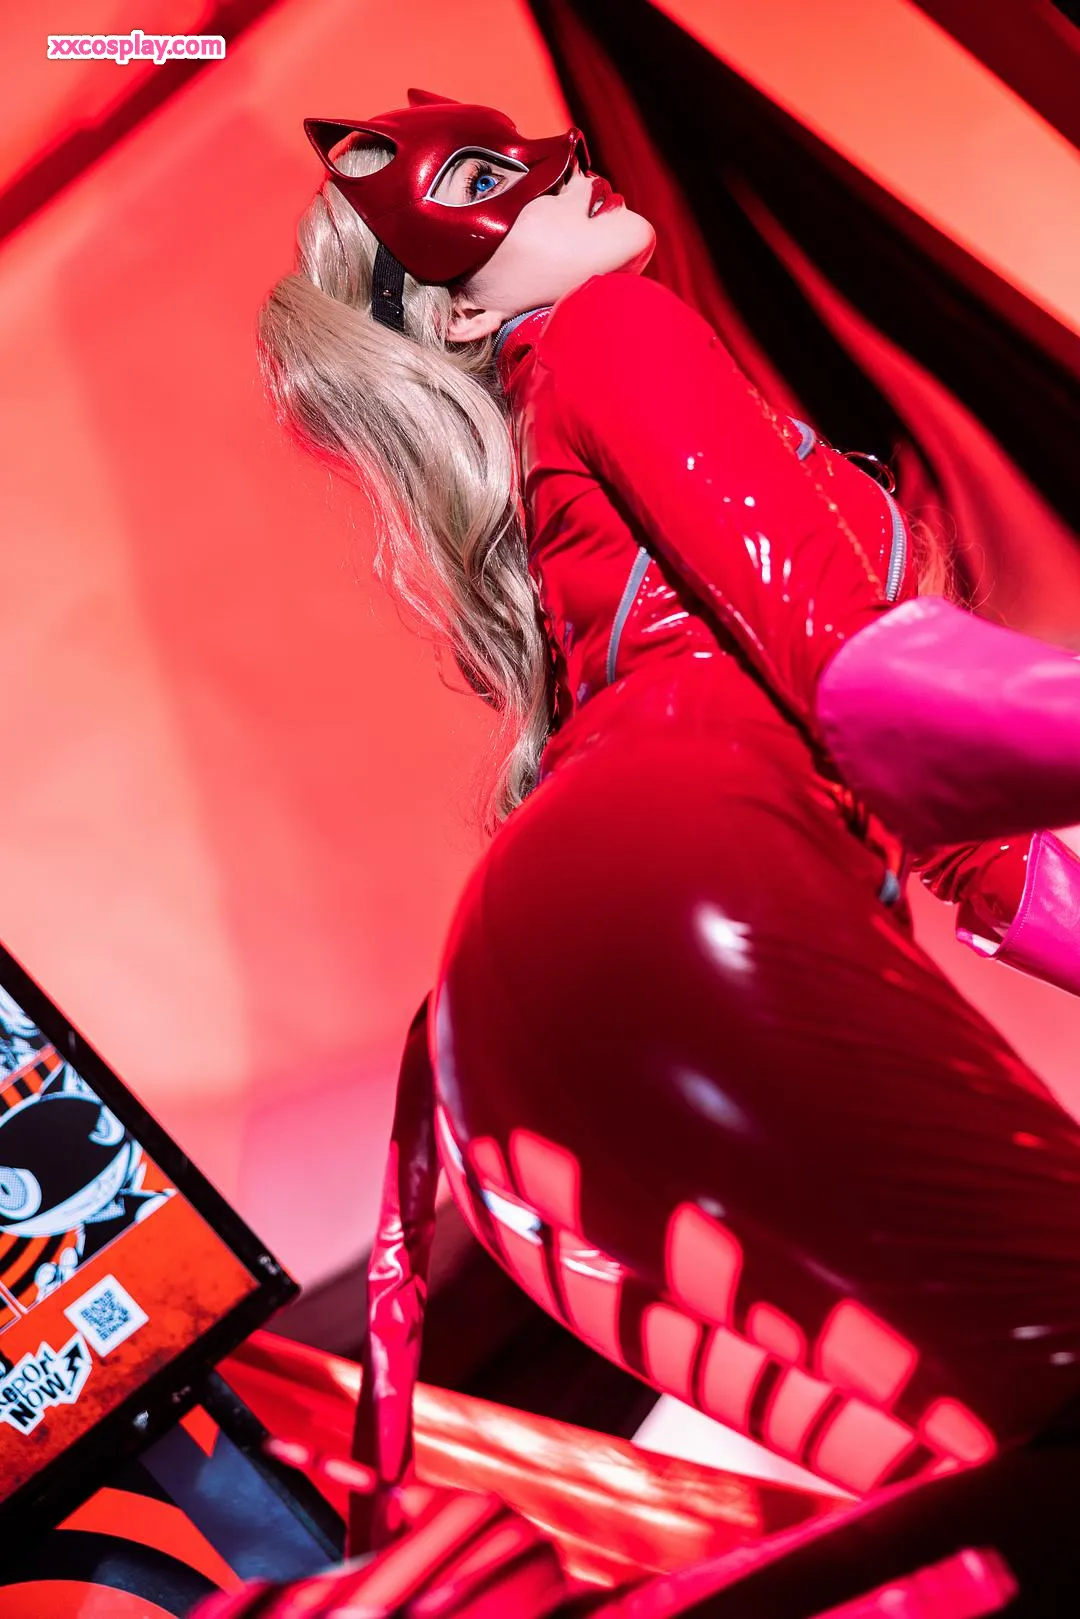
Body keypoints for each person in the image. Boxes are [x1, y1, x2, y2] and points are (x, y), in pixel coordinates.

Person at [252, 90, 1080, 1609]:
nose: (564, 163)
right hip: (676, 927)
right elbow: (878, 690)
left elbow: (980, 851)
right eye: (488, 176)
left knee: (1017, 1499)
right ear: (457, 312)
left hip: (541, 1055)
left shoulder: (572, 420)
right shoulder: (606, 333)